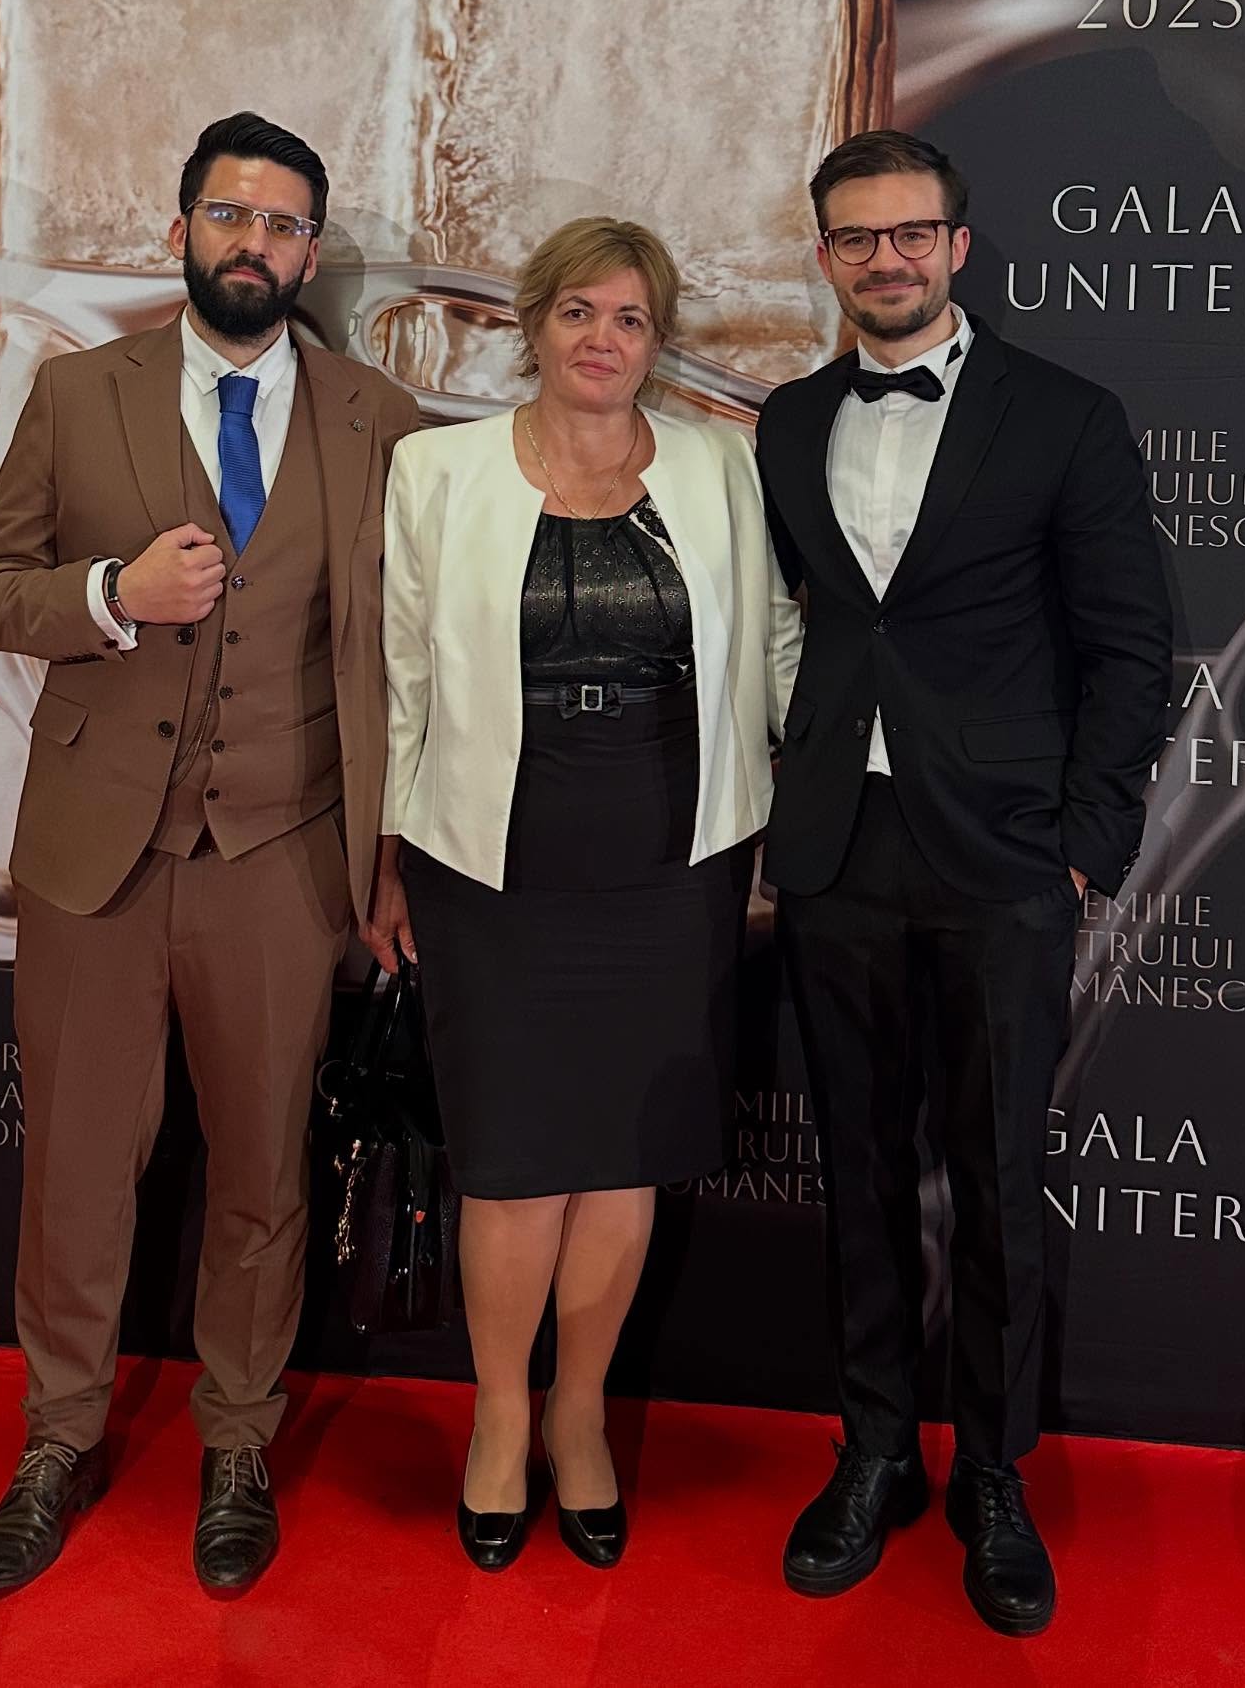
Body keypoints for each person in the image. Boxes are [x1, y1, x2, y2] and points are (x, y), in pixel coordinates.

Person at [0, 111, 419, 1595]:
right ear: (180, 230)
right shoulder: (76, 393)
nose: (254, 244)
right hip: (96, 852)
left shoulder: (377, 417)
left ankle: (237, 1442)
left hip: (283, 856)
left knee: (265, 1172)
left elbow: (409, 658)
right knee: (78, 1172)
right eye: (230, 214)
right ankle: (57, 1438)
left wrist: (392, 857)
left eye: (283, 224)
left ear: (310, 253)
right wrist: (111, 592)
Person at [755, 130, 1172, 1636]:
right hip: (837, 847)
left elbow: (1130, 645)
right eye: (857, 238)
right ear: (825, 256)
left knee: (996, 1172)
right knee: (858, 1167)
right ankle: (874, 1448)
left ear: (959, 246)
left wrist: (1088, 840)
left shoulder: (1063, 414)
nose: (887, 260)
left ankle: (993, 1470)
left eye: (911, 234)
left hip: (1003, 853)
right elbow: (802, 623)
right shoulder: (790, 421)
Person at [364, 216, 800, 1572]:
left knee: (621, 1154)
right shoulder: (436, 469)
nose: (602, 339)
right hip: (491, 860)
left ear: (656, 341)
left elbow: (775, 639)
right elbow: (403, 676)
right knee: (510, 1162)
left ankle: (580, 1412)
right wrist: (385, 855)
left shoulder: (722, 464)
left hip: (673, 859)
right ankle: (500, 1418)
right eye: (578, 312)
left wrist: (840, 782)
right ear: (533, 324)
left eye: (629, 318)